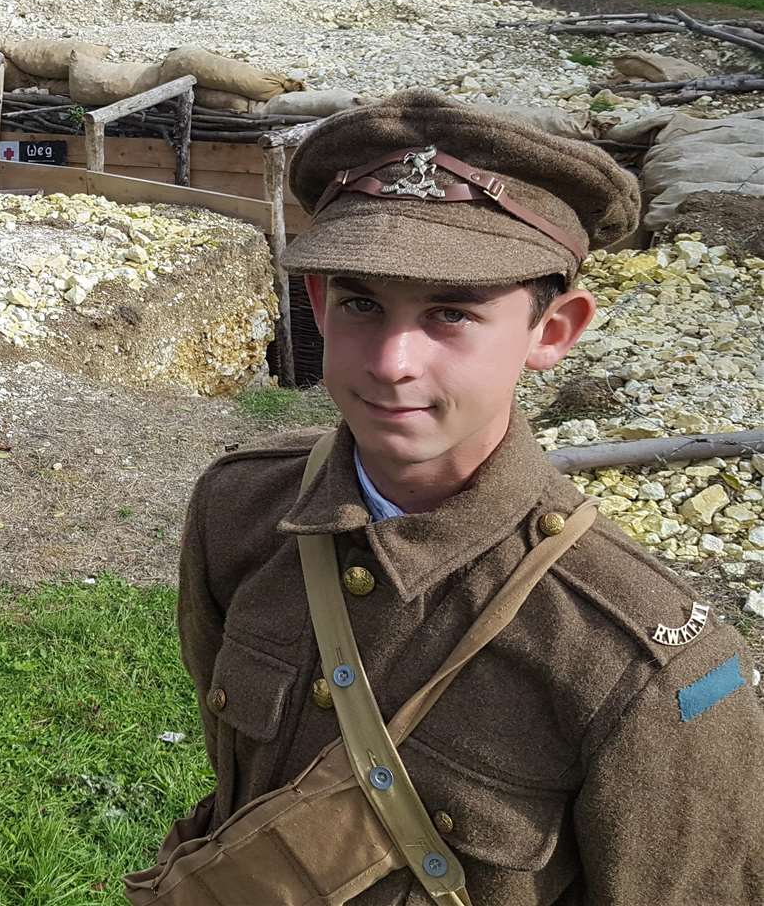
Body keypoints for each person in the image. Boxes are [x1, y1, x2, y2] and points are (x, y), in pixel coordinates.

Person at [130, 90, 764, 904]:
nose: (393, 361)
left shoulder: (640, 658)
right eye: (362, 303)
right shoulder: (242, 512)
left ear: (554, 332)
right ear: (319, 305)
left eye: (451, 314)